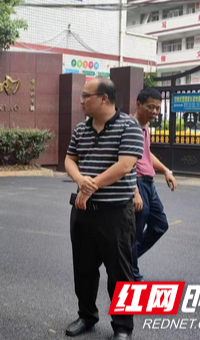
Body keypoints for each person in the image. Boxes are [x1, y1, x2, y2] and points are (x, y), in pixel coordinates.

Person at [64, 79, 144, 340]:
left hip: (115, 213)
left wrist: (91, 185)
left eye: (86, 96)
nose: (81, 101)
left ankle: (122, 327)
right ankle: (86, 315)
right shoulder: (81, 129)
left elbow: (124, 166)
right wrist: (80, 180)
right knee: (84, 269)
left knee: (119, 272)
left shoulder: (129, 126)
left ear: (104, 99)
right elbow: (70, 159)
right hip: (83, 212)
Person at [132, 88, 177, 282]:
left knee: (160, 224)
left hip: (149, 183)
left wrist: (166, 170)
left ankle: (125, 259)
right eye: (151, 107)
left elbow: (146, 154)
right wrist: (133, 191)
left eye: (158, 108)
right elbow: (124, 159)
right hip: (138, 183)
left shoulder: (145, 128)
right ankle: (132, 273)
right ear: (138, 104)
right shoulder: (131, 127)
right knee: (134, 232)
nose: (155, 112)